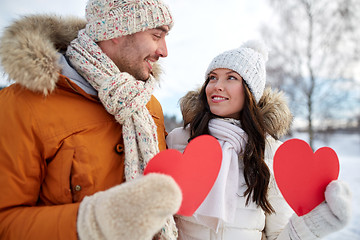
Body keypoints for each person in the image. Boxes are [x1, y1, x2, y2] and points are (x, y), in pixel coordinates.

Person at [0, 0, 183, 239]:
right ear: (116, 32)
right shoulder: (23, 104)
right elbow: (5, 221)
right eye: (156, 35)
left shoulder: (148, 105)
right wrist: (93, 221)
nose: (164, 51)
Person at [166, 40, 352, 239]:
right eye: (212, 78)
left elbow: (278, 235)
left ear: (250, 92)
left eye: (231, 78)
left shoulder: (271, 152)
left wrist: (316, 223)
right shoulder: (180, 139)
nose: (217, 86)